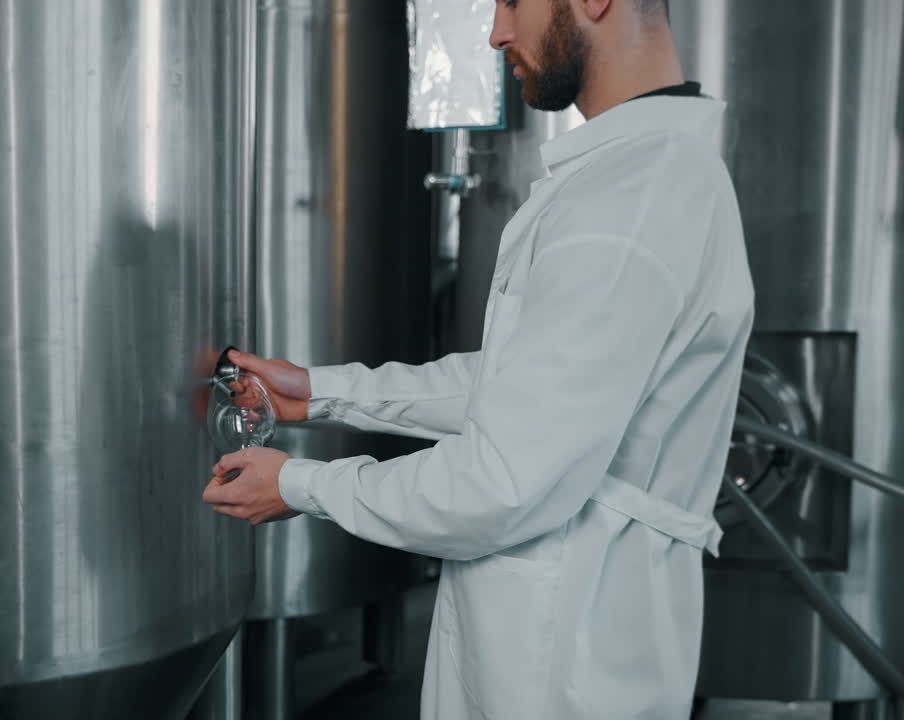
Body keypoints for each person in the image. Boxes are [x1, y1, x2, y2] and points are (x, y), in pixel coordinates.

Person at [203, 0, 754, 716]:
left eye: (513, 2)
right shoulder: (642, 177)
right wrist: (323, 393)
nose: (497, 32)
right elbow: (519, 385)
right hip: (567, 637)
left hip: (560, 665)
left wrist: (302, 486)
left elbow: (502, 480)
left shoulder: (630, 201)